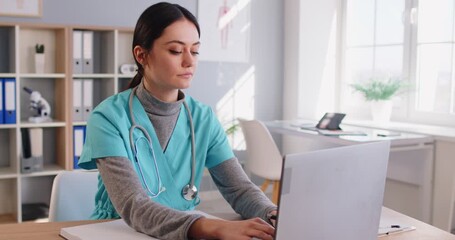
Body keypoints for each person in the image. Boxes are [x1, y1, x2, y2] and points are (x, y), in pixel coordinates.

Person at [78, 2, 277, 239]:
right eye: (175, 50)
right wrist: (213, 226)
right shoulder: (108, 118)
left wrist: (273, 214)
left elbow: (239, 189)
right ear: (141, 55)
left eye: (194, 51)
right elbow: (134, 205)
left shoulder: (203, 119)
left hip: (181, 231)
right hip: (116, 230)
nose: (189, 61)